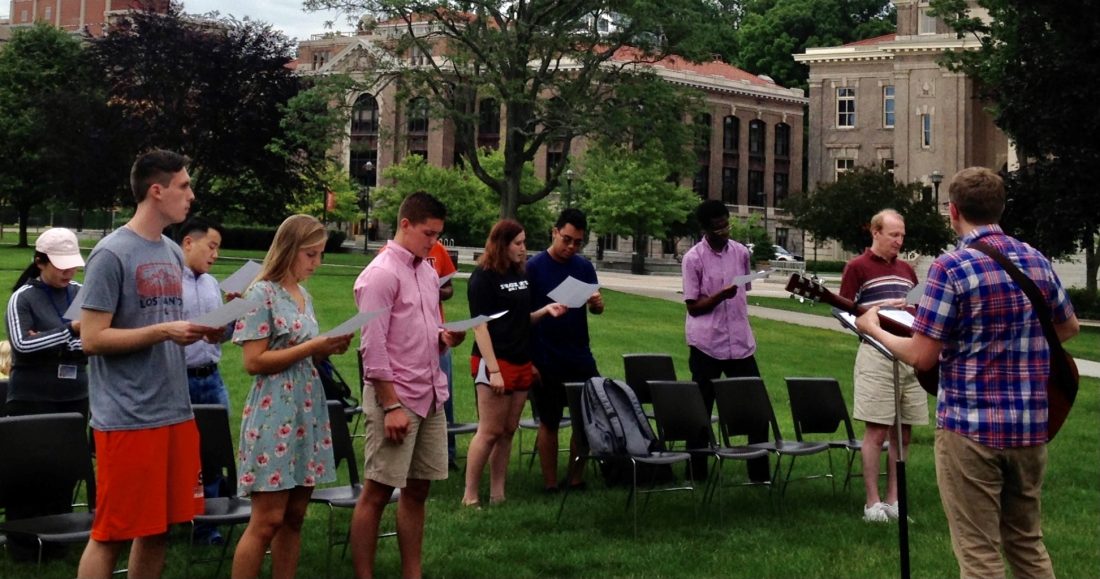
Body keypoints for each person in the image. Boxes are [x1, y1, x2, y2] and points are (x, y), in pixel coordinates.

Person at [856, 167, 1079, 578]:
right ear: (1001, 208)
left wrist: (872, 329)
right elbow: (1067, 327)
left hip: (969, 429)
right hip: (1030, 427)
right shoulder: (1035, 259)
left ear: (952, 211)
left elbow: (922, 356)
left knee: (978, 553)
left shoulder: (950, 268)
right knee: (1028, 543)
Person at [77, 149, 221, 579]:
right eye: (183, 186)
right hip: (128, 416)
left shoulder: (174, 254)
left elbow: (166, 322)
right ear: (156, 192)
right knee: (112, 533)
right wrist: (164, 332)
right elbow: (91, 338)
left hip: (174, 411)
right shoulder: (111, 254)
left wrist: (206, 329)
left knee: (158, 529)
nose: (191, 196)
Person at [350, 192, 465, 579]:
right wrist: (390, 405)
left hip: (431, 393)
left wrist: (444, 336)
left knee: (418, 491)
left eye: (437, 235)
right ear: (404, 224)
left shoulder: (427, 271)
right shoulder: (381, 273)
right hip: (396, 398)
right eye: (427, 233)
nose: (433, 243)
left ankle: (411, 573)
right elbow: (373, 345)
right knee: (378, 491)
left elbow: (422, 328)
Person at [230, 214, 353, 579]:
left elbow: (304, 349)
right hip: (274, 410)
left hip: (307, 409)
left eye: (320, 255)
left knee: (295, 517)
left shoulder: (304, 295)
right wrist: (312, 346)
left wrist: (326, 348)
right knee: (266, 520)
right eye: (310, 255)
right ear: (288, 250)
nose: (316, 263)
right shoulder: (260, 292)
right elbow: (254, 361)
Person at [463, 220, 566, 506]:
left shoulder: (520, 274)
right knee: (490, 430)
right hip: (495, 361)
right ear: (502, 244)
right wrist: (493, 370)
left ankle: (498, 492)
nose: (523, 248)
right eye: (518, 243)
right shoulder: (483, 278)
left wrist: (545, 311)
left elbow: (520, 320)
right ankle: (470, 494)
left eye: (524, 242)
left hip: (521, 360)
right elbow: (479, 327)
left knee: (508, 430)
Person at [839, 209, 928, 523]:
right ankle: (872, 503)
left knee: (904, 434)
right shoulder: (857, 267)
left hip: (908, 353)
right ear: (875, 232)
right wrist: (879, 308)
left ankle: (894, 500)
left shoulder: (906, 269)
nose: (899, 241)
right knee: (876, 431)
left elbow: (918, 306)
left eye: (902, 235)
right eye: (893, 235)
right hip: (876, 354)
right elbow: (846, 315)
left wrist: (912, 308)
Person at [681, 199, 766, 480]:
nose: (724, 231)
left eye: (726, 225)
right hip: (707, 343)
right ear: (705, 229)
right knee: (701, 408)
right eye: (717, 228)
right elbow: (692, 306)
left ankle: (759, 473)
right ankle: (697, 472)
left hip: (740, 342)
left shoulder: (740, 253)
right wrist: (720, 296)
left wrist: (733, 294)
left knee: (755, 406)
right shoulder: (693, 258)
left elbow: (744, 290)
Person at [527, 208, 603, 492]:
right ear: (554, 232)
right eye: (567, 239)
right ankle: (549, 483)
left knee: (585, 420)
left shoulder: (583, 268)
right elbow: (524, 317)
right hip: (546, 354)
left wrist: (597, 305)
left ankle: (575, 477)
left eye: (577, 242)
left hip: (579, 355)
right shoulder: (534, 268)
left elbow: (595, 308)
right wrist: (530, 361)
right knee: (550, 420)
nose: (571, 247)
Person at [4, 227, 88, 418]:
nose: (69, 272)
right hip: (31, 397)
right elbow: (23, 345)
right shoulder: (22, 298)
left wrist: (44, 339)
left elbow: (93, 342)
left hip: (76, 395)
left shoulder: (80, 293)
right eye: (61, 266)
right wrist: (71, 329)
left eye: (73, 265)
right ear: (40, 263)